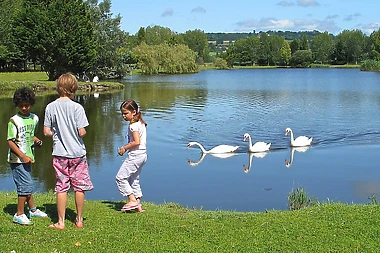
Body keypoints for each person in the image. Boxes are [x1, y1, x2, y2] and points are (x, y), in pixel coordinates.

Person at [43, 73, 94, 230]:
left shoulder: (50, 107)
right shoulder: (77, 108)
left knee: (62, 186)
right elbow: (82, 132)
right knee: (79, 187)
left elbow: (46, 132)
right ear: (74, 88)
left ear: (58, 87)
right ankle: (79, 220)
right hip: (78, 153)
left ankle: (61, 222)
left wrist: (57, 133)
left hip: (59, 154)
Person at [7, 87, 48, 225]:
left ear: (31, 103)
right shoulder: (14, 121)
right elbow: (10, 141)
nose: (24, 107)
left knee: (27, 184)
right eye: (21, 105)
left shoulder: (34, 118)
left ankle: (33, 210)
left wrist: (37, 141)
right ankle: (19, 214)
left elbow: (30, 135)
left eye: (27, 105)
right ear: (17, 105)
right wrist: (22, 156)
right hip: (17, 159)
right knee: (25, 185)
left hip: (29, 157)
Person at [116, 99, 147, 213]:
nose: (123, 116)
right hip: (142, 155)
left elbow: (136, 142)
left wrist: (124, 148)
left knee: (120, 178)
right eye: (122, 114)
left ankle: (132, 200)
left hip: (135, 156)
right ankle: (137, 205)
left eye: (125, 113)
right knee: (134, 179)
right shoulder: (141, 123)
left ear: (133, 112)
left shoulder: (133, 126)